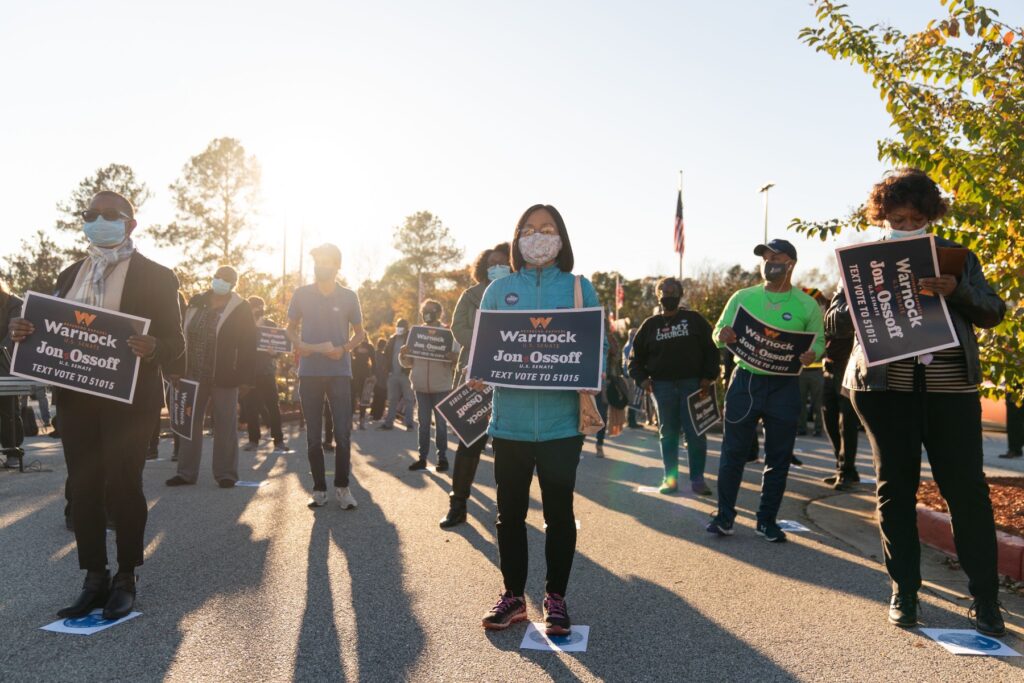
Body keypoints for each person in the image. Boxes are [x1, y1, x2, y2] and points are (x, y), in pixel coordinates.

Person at [826, 168, 1006, 636]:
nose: (906, 227)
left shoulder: (955, 257)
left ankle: (986, 599)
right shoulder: (861, 257)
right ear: (882, 216)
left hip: (951, 391)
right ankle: (904, 590)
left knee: (967, 492)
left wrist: (957, 291)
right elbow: (834, 324)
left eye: (915, 218)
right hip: (884, 391)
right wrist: (857, 294)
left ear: (930, 215)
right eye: (897, 218)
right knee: (895, 490)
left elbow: (993, 311)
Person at [8, 191, 185, 619]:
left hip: (128, 403)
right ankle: (94, 578)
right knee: (83, 490)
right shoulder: (69, 275)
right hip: (77, 400)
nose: (98, 221)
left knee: (124, 487)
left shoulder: (158, 277)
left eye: (109, 215)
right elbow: (48, 333)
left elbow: (177, 347)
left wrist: (155, 346)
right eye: (91, 215)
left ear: (130, 224)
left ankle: (126, 577)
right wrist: (21, 330)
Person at [472, 204, 603, 637]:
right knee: (509, 515)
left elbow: (594, 354)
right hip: (508, 423)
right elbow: (485, 350)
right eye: (529, 229)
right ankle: (513, 597)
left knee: (559, 514)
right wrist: (477, 374)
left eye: (547, 229)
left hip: (562, 426)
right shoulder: (499, 291)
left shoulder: (581, 289)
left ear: (562, 239)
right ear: (517, 239)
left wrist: (590, 374)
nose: (538, 236)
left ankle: (556, 598)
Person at [707, 238, 824, 543]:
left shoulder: (807, 304)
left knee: (779, 457)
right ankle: (724, 517)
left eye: (776, 257)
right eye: (765, 257)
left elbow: (819, 343)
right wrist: (724, 334)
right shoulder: (742, 297)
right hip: (745, 381)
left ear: (791, 264)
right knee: (732, 453)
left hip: (784, 386)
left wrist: (814, 355)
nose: (769, 262)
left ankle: (766, 520)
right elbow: (717, 334)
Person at [287, 243, 366, 509]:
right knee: (313, 436)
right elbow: (289, 329)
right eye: (318, 260)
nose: (321, 265)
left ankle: (343, 488)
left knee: (342, 434)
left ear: (336, 265)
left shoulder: (349, 296)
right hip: (309, 373)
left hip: (339, 372)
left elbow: (360, 333)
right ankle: (319, 489)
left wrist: (343, 349)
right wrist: (300, 344)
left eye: (326, 260)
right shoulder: (301, 294)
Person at [440, 242, 511, 528]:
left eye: (503, 262)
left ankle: (507, 509)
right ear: (483, 267)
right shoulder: (470, 296)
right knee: (469, 444)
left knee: (507, 447)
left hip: (510, 374)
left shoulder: (520, 293)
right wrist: (492, 339)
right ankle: (458, 505)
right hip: (477, 373)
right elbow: (458, 328)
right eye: (492, 263)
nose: (498, 267)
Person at [167, 266, 257, 489]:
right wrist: (176, 368)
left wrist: (245, 378)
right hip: (192, 374)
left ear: (233, 284)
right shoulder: (197, 302)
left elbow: (248, 344)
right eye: (218, 277)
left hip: (225, 377)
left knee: (226, 425)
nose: (220, 281)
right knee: (189, 424)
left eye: (226, 279)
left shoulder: (240, 308)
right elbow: (180, 335)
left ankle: (226, 474)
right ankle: (186, 473)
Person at [628, 277, 719, 494]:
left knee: (696, 433)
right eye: (664, 291)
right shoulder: (649, 325)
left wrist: (709, 376)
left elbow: (712, 349)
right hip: (662, 387)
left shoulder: (694, 319)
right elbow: (634, 359)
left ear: (680, 294)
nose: (668, 295)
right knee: (667, 433)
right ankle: (670, 480)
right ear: (658, 296)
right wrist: (643, 380)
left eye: (672, 291)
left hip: (693, 385)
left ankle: (697, 479)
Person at [400, 299, 457, 471]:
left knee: (440, 425)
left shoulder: (449, 334)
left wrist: (453, 357)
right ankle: (422, 458)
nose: (427, 313)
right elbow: (408, 363)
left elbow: (456, 360)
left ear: (439, 313)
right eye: (424, 310)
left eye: (431, 310)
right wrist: (403, 355)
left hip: (441, 386)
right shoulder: (416, 333)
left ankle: (442, 459)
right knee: (423, 424)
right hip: (420, 387)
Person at [241, 296, 292, 453]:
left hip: (267, 372)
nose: (257, 310)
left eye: (260, 307)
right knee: (250, 407)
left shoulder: (270, 325)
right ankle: (253, 440)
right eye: (254, 307)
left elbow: (279, 350)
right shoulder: (244, 325)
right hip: (249, 373)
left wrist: (274, 352)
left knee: (273, 407)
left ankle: (279, 441)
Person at [821, 319, 861, 489]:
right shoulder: (828, 316)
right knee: (828, 420)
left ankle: (846, 472)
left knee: (847, 424)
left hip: (848, 370)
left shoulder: (850, 312)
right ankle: (844, 466)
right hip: (829, 370)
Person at [378, 320, 415, 431]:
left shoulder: (411, 339)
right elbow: (386, 354)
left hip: (406, 374)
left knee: (409, 399)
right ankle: (389, 423)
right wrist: (387, 370)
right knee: (392, 399)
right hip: (393, 374)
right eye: (398, 326)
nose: (399, 328)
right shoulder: (392, 339)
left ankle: (409, 424)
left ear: (406, 327)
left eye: (402, 326)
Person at [350, 336, 375, 430]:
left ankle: (362, 420)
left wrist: (373, 374)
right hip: (353, 374)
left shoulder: (370, 347)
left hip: (365, 375)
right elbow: (349, 358)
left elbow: (374, 362)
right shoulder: (354, 346)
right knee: (352, 397)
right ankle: (350, 420)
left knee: (364, 398)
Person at [621, 328, 642, 429]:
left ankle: (631, 420)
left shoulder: (627, 345)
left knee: (631, 399)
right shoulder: (631, 346)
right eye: (633, 334)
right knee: (633, 399)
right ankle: (631, 421)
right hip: (630, 376)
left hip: (627, 375)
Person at [370, 337, 388, 421]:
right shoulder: (385, 357)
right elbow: (385, 369)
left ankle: (373, 413)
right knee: (381, 398)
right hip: (382, 381)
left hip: (374, 379)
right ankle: (378, 415)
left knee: (376, 397)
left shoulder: (374, 354)